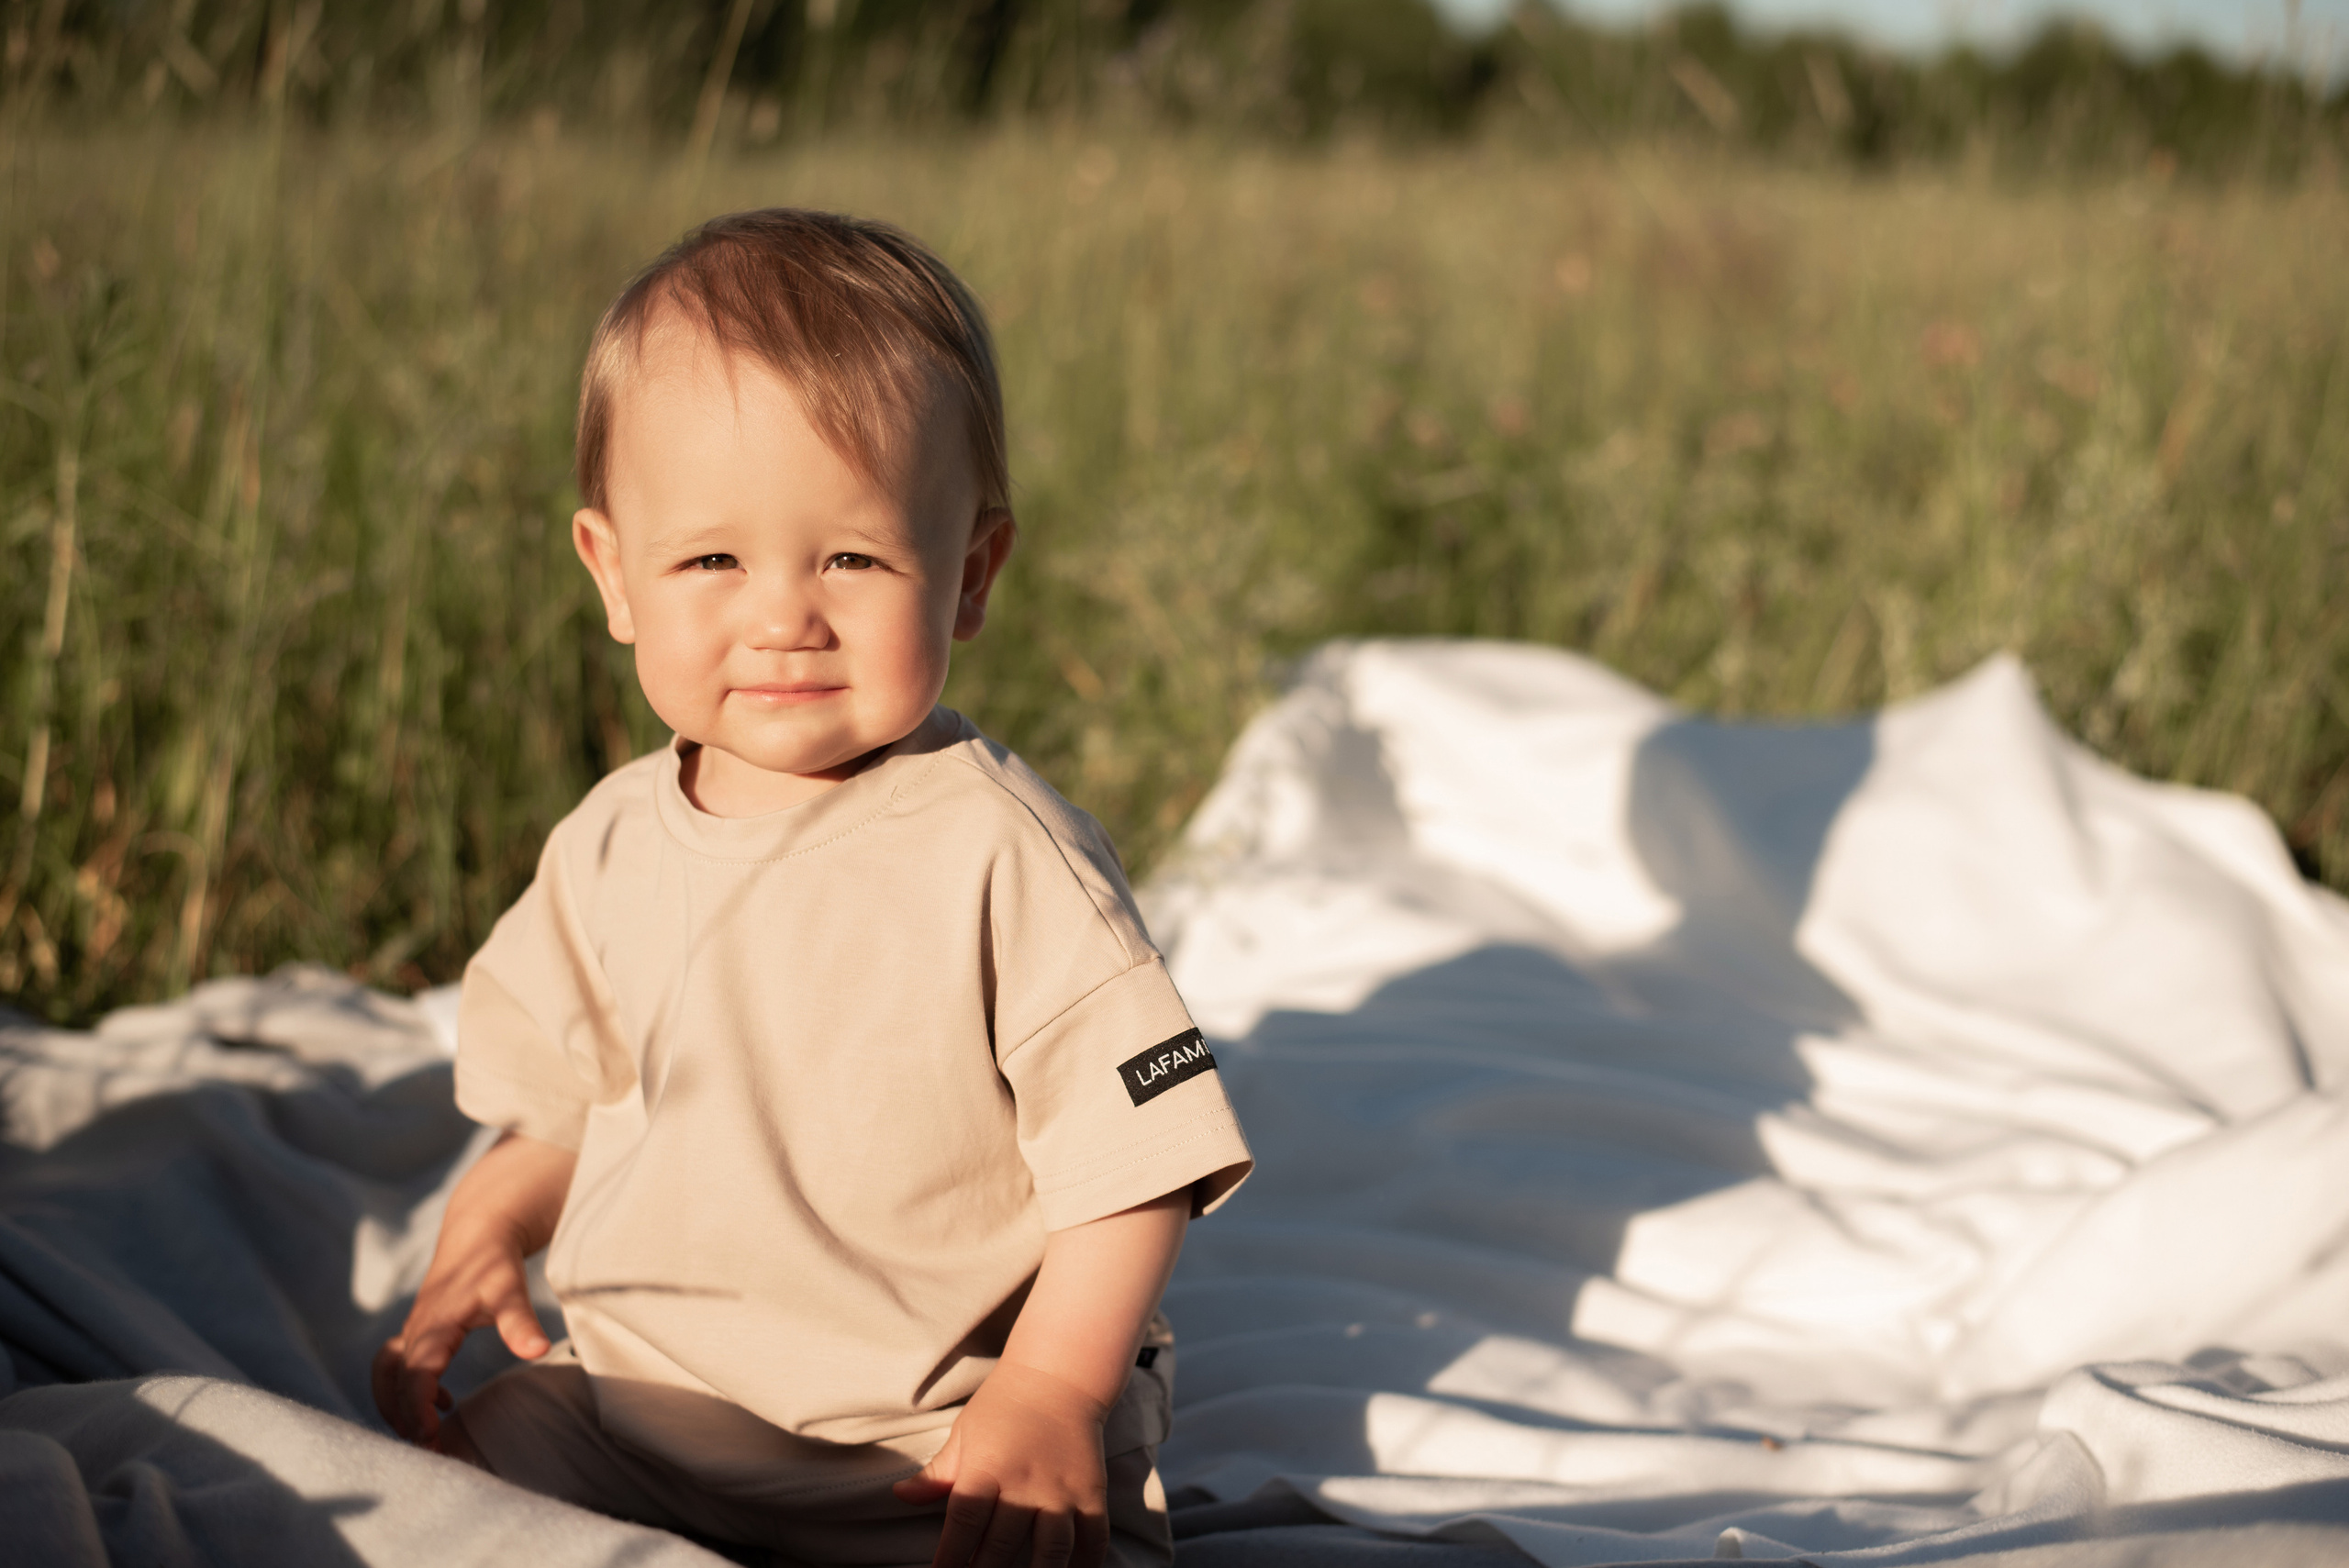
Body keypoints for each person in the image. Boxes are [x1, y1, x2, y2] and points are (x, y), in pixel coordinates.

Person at [371, 208, 1254, 1568]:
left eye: (852, 556)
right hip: (630, 1411)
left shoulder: (1002, 852)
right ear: (614, 573)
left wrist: (1055, 1388)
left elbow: (1134, 1165)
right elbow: (561, 1101)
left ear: (968, 575)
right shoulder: (612, 839)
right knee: (419, 1501)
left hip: (928, 1447)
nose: (784, 613)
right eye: (713, 559)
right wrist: (487, 1228)